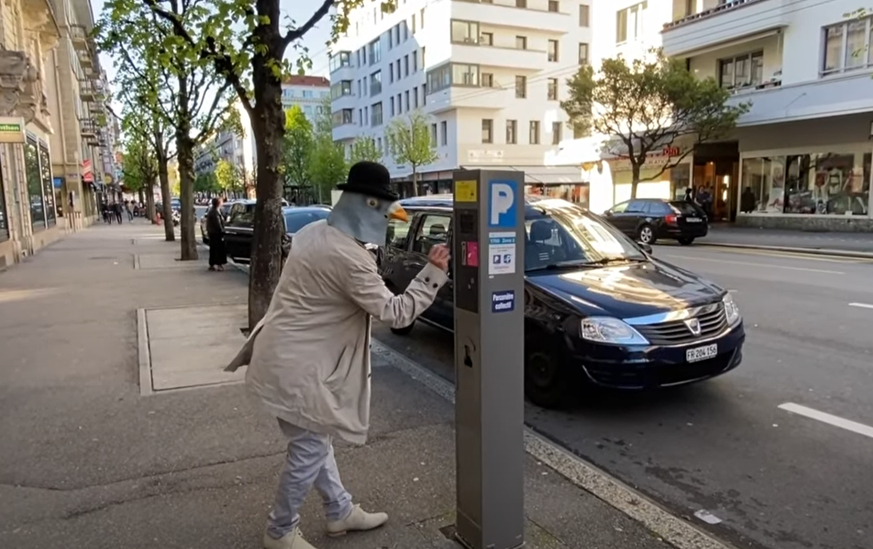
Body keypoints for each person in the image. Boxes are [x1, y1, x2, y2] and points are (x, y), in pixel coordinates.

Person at [226, 161, 450, 549]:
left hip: (284, 357)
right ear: (364, 204)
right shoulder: (348, 257)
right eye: (382, 205)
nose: (389, 213)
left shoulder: (314, 232)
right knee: (310, 447)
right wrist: (431, 272)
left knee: (316, 441)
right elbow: (395, 312)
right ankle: (279, 530)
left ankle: (339, 511)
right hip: (300, 368)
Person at [205, 197, 227, 271]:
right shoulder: (215, 212)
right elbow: (218, 223)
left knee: (213, 249)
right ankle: (219, 264)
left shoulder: (213, 211)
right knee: (218, 249)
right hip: (216, 233)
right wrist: (222, 231)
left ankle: (212, 264)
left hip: (212, 233)